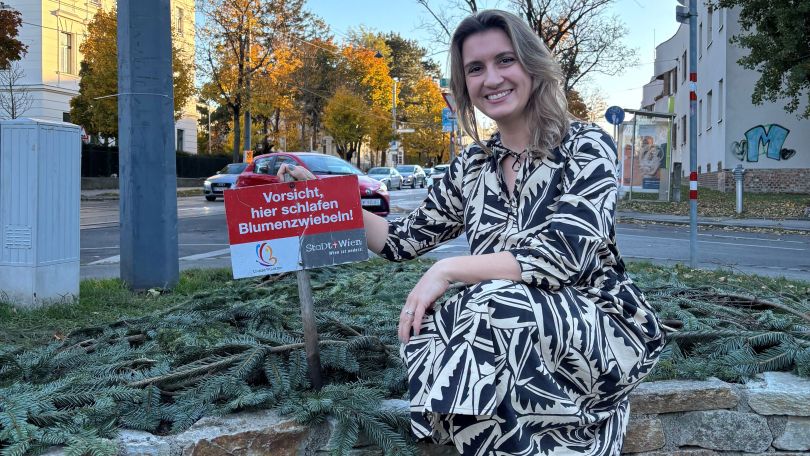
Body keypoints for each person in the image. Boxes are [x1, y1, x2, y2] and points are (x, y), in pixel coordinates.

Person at [279, 9, 668, 456]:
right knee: (442, 323)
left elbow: (563, 253)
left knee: (487, 301)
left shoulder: (585, 145)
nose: (492, 78)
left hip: (597, 329)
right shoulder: (473, 166)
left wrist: (449, 270)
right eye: (475, 68)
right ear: (465, 85)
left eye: (506, 60)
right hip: (501, 331)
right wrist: (329, 197)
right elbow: (400, 238)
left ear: (532, 65)